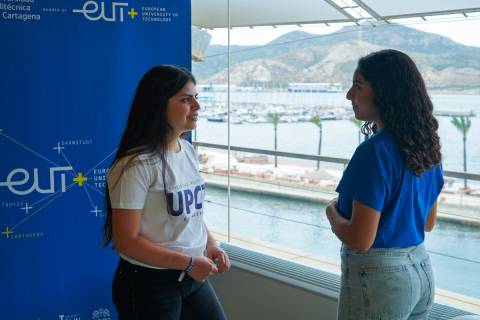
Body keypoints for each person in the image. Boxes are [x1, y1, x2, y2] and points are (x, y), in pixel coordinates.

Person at [103, 65, 230, 320]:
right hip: (150, 284)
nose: (197, 106)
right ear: (158, 105)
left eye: (196, 97)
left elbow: (190, 215)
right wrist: (190, 262)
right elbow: (126, 241)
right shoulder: (136, 165)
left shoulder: (188, 151)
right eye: (186, 99)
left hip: (191, 274)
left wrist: (211, 244)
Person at [325, 49, 444, 320]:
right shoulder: (427, 146)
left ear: (384, 91)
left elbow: (360, 239)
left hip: (381, 281)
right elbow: (427, 223)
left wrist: (330, 212)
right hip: (421, 272)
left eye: (357, 85)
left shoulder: (374, 152)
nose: (349, 95)